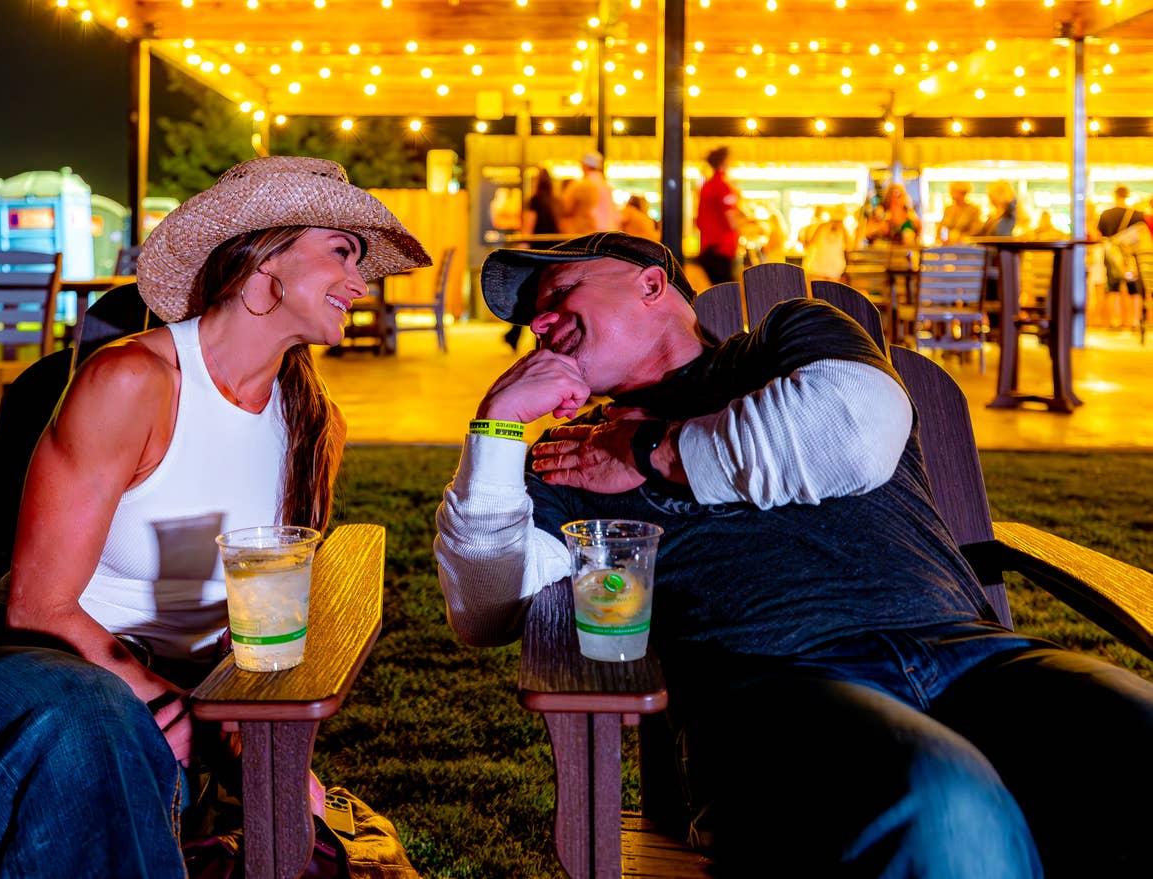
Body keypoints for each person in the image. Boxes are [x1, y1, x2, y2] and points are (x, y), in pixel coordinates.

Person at [433, 230, 1153, 878]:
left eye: (557, 292)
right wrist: (494, 432)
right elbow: (487, 607)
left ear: (648, 281)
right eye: (529, 316)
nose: (536, 323)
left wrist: (650, 451)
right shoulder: (568, 458)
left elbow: (851, 428)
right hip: (773, 688)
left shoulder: (789, 337)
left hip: (974, 657)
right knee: (940, 799)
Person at [0, 156, 430, 878]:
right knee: (93, 718)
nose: (361, 283)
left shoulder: (312, 422)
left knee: (109, 757)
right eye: (341, 251)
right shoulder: (134, 381)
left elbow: (265, 619)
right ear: (264, 258)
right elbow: (37, 605)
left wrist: (249, 740)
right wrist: (175, 707)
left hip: (164, 717)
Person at [506, 167, 564, 351]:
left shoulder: (535, 201)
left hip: (538, 254)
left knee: (529, 294)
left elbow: (528, 228)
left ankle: (515, 335)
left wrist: (520, 250)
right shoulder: (556, 202)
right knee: (545, 298)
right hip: (556, 255)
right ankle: (534, 339)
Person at [695, 146, 750, 285]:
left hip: (708, 247)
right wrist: (749, 226)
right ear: (724, 162)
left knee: (719, 292)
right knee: (727, 295)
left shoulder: (707, 185)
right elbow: (731, 220)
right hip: (720, 249)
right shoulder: (723, 187)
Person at [1097, 185, 1145, 328]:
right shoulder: (1136, 214)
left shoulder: (1105, 214)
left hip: (1111, 255)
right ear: (1127, 195)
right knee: (1133, 288)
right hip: (1129, 257)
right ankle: (1135, 320)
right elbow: (1141, 237)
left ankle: (1115, 320)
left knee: (1113, 287)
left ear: (1115, 195)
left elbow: (1101, 236)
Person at [559, 151, 621, 235]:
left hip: (588, 235)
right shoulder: (606, 186)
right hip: (609, 232)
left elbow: (565, 208)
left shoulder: (581, 185)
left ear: (585, 166)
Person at [801, 205, 850, 281]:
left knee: (818, 290)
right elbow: (850, 247)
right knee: (830, 290)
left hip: (822, 267)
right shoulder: (842, 230)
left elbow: (810, 244)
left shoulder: (823, 227)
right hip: (831, 267)